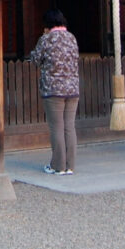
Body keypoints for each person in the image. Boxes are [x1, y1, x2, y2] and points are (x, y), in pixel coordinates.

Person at [28, 9, 79, 175]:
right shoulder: (72, 38)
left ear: (47, 25)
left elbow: (36, 59)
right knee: (69, 127)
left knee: (56, 127)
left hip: (53, 89)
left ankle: (58, 165)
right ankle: (70, 165)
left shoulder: (46, 39)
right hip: (72, 88)